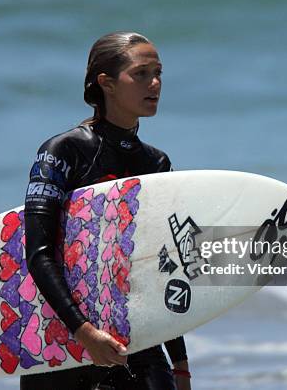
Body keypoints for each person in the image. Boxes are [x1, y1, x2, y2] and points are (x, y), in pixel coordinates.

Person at [21, 32, 191, 390]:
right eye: (141, 73)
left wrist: (180, 364)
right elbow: (38, 255)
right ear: (107, 84)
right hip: (62, 348)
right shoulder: (62, 152)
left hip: (138, 345)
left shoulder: (157, 163)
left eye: (158, 72)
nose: (155, 83)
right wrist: (84, 333)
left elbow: (161, 268)